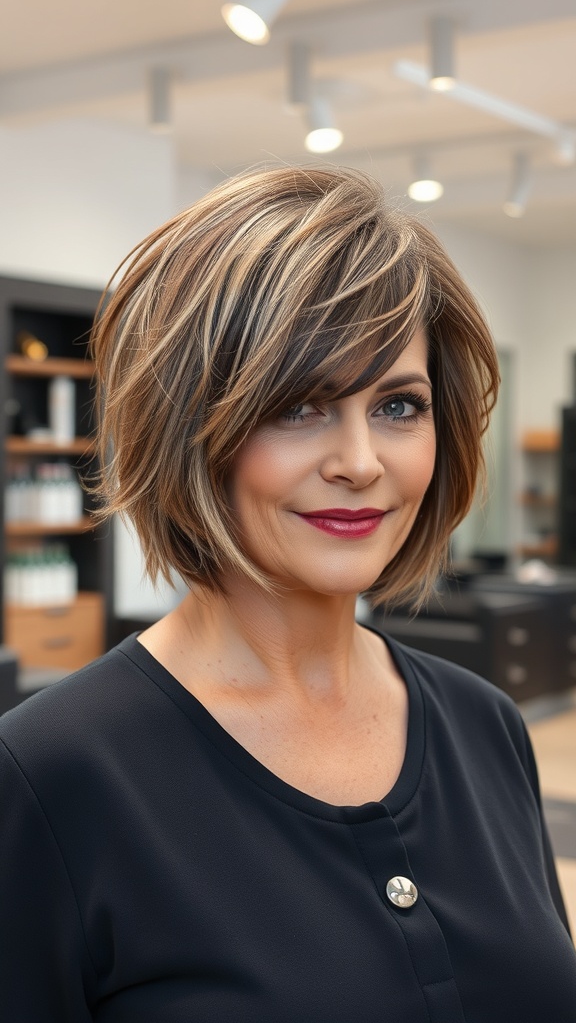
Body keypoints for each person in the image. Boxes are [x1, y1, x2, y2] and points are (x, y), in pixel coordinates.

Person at [1, 165, 575, 1022]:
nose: (361, 461)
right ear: (189, 426)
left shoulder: (484, 725)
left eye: (398, 406)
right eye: (301, 406)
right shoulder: (51, 775)